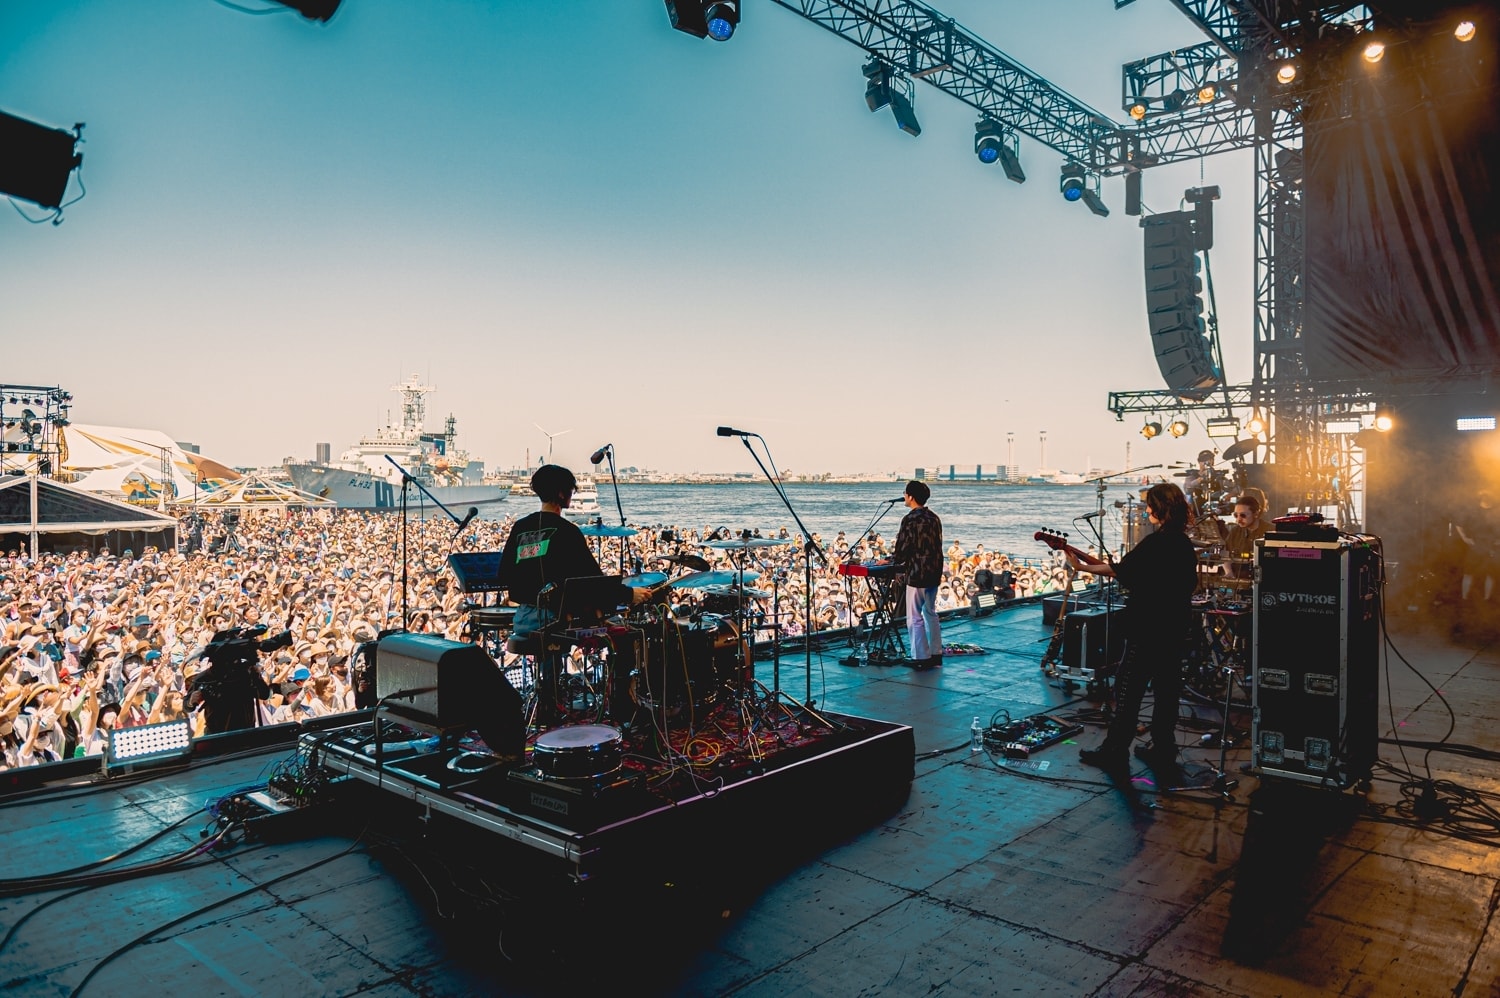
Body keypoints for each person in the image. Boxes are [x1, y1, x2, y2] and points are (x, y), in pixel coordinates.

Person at [496, 465, 648, 722]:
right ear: (561, 493)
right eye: (571, 490)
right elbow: (594, 582)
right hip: (554, 622)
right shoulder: (568, 532)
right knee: (626, 634)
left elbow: (504, 575)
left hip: (523, 619)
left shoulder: (520, 528)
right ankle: (622, 707)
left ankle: (549, 698)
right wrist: (628, 595)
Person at [1065, 482, 1197, 777]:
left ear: (1161, 508)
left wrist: (1081, 567)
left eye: (1151, 504)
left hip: (1147, 629)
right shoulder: (1183, 543)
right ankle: (1163, 749)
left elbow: (1122, 571)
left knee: (1128, 692)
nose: (1147, 509)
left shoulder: (1157, 542)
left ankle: (1114, 752)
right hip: (1174, 629)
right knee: (1166, 694)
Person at [890, 480, 943, 669]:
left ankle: (920, 657)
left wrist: (891, 561)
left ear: (911, 496)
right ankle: (936, 653)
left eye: (905, 493)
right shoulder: (934, 517)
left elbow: (902, 550)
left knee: (914, 616)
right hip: (934, 571)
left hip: (917, 572)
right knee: (930, 612)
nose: (904, 496)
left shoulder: (910, 519)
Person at [1222, 494, 1269, 580]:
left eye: (1243, 515)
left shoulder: (1270, 531)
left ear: (1256, 514)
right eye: (1236, 515)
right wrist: (1228, 572)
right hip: (1238, 579)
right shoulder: (1235, 531)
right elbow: (1225, 555)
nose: (1238, 520)